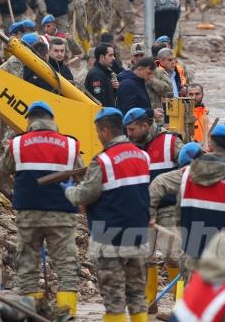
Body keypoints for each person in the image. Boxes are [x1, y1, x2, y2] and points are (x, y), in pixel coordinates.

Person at [148, 124, 225, 276]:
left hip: (195, 265)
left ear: (209, 146)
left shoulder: (186, 176)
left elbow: (176, 213)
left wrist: (150, 214)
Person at [65, 108, 151, 322]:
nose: (97, 136)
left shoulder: (103, 161)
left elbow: (86, 194)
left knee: (114, 298)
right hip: (138, 235)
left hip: (110, 237)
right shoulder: (142, 156)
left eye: (97, 132)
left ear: (105, 130)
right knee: (137, 294)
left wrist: (68, 190)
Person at [0, 101, 81, 315]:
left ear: (29, 120)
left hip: (29, 214)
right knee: (66, 266)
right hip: (62, 214)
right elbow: (80, 175)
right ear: (52, 120)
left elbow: (4, 167)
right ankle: (68, 315)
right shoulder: (70, 145)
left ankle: (31, 316)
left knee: (27, 265)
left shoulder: (17, 143)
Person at [123, 108, 183, 311]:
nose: (129, 134)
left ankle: (181, 303)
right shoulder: (129, 146)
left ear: (145, 125)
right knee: (144, 256)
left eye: (132, 129)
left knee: (173, 256)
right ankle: (149, 301)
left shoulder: (171, 142)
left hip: (169, 208)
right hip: (142, 210)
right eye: (127, 130)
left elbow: (188, 169)